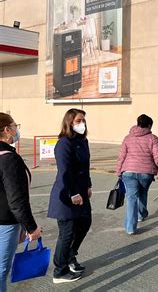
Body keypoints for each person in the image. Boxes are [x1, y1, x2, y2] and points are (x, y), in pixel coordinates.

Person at [47, 109, 92, 284]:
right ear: (69, 122)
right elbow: (64, 171)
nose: (83, 124)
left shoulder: (82, 141)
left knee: (85, 224)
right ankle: (59, 271)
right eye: (79, 121)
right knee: (67, 233)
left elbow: (86, 166)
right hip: (67, 194)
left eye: (84, 121)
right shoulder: (64, 143)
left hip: (81, 191)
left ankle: (70, 256)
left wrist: (88, 185)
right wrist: (73, 193)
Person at [0, 113, 42, 291]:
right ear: (7, 130)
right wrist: (31, 227)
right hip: (5, 221)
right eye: (15, 126)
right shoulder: (8, 158)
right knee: (1, 272)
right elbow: (17, 200)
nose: (17, 130)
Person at [116, 114, 158, 235]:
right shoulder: (153, 138)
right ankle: (141, 215)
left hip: (128, 171)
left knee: (131, 198)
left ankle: (130, 228)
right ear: (149, 125)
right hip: (146, 173)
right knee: (143, 193)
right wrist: (156, 166)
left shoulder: (128, 138)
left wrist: (118, 171)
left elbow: (121, 156)